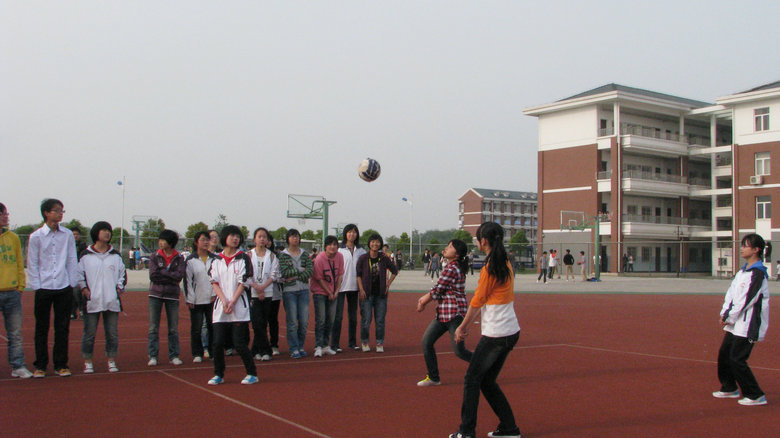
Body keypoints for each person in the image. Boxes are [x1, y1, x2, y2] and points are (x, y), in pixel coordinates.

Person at [451, 222, 522, 438]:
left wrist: (462, 327)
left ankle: (466, 431)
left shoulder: (490, 267)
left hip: (496, 334)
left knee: (472, 379)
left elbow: (477, 301)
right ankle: (509, 428)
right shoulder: (505, 263)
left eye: (477, 238)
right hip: (510, 331)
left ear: (483, 241)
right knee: (487, 381)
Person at [712, 233, 770, 406]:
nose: (742, 248)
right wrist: (725, 313)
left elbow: (746, 300)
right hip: (735, 323)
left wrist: (729, 316)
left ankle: (755, 394)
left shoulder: (758, 274)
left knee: (737, 358)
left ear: (756, 249)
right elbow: (731, 294)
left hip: (748, 324)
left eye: (746, 245)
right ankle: (729, 387)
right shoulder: (742, 272)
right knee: (724, 355)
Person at [27, 198, 78, 378]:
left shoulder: (67, 235)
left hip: (63, 286)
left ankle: (61, 364)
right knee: (42, 328)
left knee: (62, 327)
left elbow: (71, 258)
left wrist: (72, 282)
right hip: (44, 286)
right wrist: (37, 285)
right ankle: (40, 365)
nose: (60, 214)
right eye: (56, 210)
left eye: (62, 210)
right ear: (46, 213)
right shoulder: (36, 236)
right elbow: (32, 262)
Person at [416, 239, 473, 386]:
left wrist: (423, 301)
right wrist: (424, 300)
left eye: (450, 247)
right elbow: (440, 289)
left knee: (459, 351)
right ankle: (433, 377)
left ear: (457, 254)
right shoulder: (451, 266)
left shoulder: (452, 268)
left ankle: (485, 366)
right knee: (427, 342)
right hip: (443, 314)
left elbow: (438, 289)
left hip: (455, 314)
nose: (446, 248)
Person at [207, 225, 258, 385]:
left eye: (238, 236)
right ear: (225, 238)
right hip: (221, 307)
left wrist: (233, 301)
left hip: (239, 306)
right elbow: (214, 282)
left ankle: (252, 373)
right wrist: (224, 301)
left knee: (239, 343)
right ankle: (218, 374)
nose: (235, 239)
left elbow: (244, 282)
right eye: (232, 236)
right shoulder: (216, 259)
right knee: (217, 343)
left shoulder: (243, 258)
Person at [77, 221, 126, 374]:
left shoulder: (115, 255)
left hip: (111, 301)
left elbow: (122, 274)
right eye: (103, 230)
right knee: (89, 333)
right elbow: (79, 274)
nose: (107, 233)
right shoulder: (85, 255)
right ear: (96, 233)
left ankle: (111, 360)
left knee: (112, 333)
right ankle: (88, 361)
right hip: (92, 300)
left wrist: (119, 287)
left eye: (109, 230)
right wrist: (84, 288)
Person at [0, 202, 33, 378]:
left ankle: (18, 365)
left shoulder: (13, 237)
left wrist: (20, 286)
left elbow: (20, 263)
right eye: (3, 214)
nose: (6, 216)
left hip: (12, 292)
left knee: (15, 333)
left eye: (6, 213)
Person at [147, 229, 186, 366]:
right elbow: (153, 275)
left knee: (173, 328)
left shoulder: (179, 258)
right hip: (155, 294)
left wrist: (162, 272)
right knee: (153, 327)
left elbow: (179, 276)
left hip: (172, 295)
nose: (161, 242)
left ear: (171, 242)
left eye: (163, 240)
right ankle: (153, 355)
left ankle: (174, 355)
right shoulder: (154, 256)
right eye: (160, 240)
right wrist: (170, 276)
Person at [356, 233, 398, 352]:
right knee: (366, 319)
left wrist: (388, 284)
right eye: (373, 242)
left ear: (380, 244)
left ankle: (379, 343)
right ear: (369, 243)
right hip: (367, 294)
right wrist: (361, 289)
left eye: (377, 242)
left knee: (380, 320)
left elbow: (395, 271)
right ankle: (365, 342)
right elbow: (358, 275)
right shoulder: (363, 258)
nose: (375, 244)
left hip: (381, 294)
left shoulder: (384, 258)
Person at [278, 229, 313, 358]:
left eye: (297, 236)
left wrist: (295, 275)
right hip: (289, 292)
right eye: (292, 236)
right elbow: (284, 272)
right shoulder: (283, 255)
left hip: (303, 290)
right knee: (292, 321)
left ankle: (300, 346)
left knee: (304, 322)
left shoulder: (305, 254)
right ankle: (293, 348)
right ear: (288, 239)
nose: (295, 239)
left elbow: (309, 271)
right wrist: (299, 270)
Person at [184, 231, 216, 363]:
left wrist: (214, 294)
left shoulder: (215, 259)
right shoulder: (190, 260)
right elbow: (187, 281)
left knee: (212, 326)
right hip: (196, 299)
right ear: (196, 242)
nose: (206, 242)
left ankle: (213, 352)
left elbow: (217, 278)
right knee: (196, 328)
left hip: (212, 299)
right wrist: (190, 299)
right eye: (203, 240)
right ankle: (197, 353)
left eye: (207, 240)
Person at [333, 224, 366, 352]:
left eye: (354, 232)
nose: (352, 234)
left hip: (355, 287)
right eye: (349, 232)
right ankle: (335, 344)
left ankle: (352, 342)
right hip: (341, 287)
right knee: (338, 317)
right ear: (345, 234)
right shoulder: (339, 249)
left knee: (353, 317)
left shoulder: (361, 250)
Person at [248, 227, 279, 361]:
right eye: (259, 236)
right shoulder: (248, 255)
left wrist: (263, 288)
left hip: (267, 293)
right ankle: (265, 349)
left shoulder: (272, 256)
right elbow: (246, 274)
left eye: (264, 237)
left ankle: (257, 350)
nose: (262, 239)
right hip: (253, 293)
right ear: (254, 239)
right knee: (257, 323)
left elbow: (274, 275)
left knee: (264, 322)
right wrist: (257, 288)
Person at [311, 235, 343, 357]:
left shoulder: (339, 257)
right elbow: (319, 278)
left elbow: (340, 275)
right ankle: (318, 346)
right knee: (321, 320)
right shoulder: (320, 258)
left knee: (331, 320)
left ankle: (325, 345)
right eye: (330, 244)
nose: (332, 247)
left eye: (335, 244)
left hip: (333, 292)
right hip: (320, 292)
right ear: (325, 246)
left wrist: (336, 291)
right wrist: (329, 292)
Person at [265, 232, 283, 356]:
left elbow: (279, 275)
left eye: (268, 239)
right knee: (260, 321)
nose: (266, 242)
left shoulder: (276, 257)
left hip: (274, 294)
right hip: (259, 293)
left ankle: (274, 344)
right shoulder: (252, 255)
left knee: (273, 320)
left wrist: (273, 278)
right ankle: (261, 345)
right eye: (262, 238)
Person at [69, 226, 87, 320]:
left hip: (80, 272)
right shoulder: (67, 245)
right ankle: (72, 311)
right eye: (73, 234)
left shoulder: (83, 246)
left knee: (78, 292)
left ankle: (81, 309)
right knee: (71, 294)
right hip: (69, 272)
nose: (75, 236)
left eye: (77, 234)